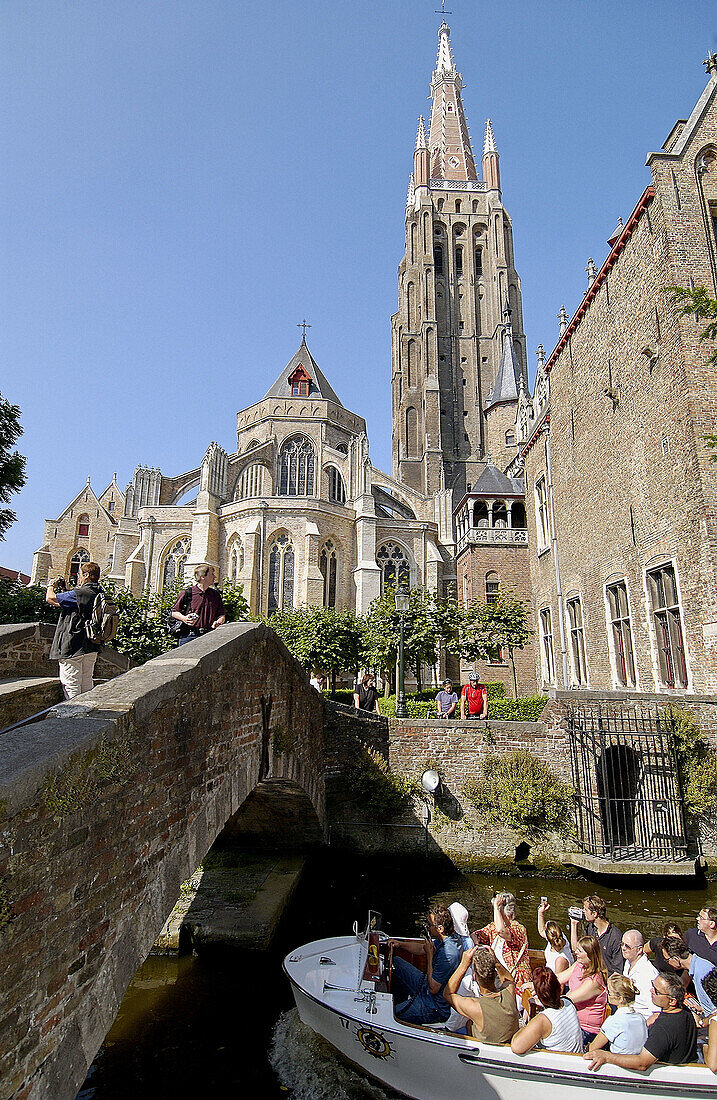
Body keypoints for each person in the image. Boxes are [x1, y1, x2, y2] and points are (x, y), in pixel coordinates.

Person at [584, 972, 697, 1071]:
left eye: (656, 991)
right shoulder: (686, 1012)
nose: (651, 991)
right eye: (653, 986)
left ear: (672, 1001)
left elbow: (642, 1063)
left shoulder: (663, 1027)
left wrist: (607, 1056)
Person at [388, 905, 462, 1025]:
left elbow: (433, 989)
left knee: (392, 1015)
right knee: (396, 962)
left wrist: (430, 955)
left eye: (429, 925)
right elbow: (423, 948)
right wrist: (400, 944)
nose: (427, 927)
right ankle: (399, 1001)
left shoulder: (449, 955)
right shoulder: (446, 938)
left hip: (433, 1006)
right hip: (426, 987)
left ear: (440, 928)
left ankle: (402, 1010)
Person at [46, 562, 103, 699]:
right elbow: (73, 604)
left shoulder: (83, 592)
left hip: (74, 645)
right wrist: (67, 590)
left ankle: (72, 715)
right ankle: (85, 712)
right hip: (92, 644)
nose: (79, 579)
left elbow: (50, 598)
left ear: (87, 575)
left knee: (71, 683)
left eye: (80, 576)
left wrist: (50, 586)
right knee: (86, 682)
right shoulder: (99, 592)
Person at [444, 946, 519, 1043]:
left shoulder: (475, 1006)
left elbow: (447, 994)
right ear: (495, 975)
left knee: (468, 1023)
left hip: (487, 1048)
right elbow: (508, 980)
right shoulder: (509, 993)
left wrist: (463, 965)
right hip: (508, 1043)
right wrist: (496, 962)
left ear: (474, 977)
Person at [510, 965, 583, 1055]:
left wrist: (525, 1025)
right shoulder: (568, 1003)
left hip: (557, 1065)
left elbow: (516, 1047)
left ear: (538, 994)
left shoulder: (543, 1020)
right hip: (575, 1058)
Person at [474, 892, 532, 993]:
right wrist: (480, 945)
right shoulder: (493, 927)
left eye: (496, 911)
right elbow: (475, 935)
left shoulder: (519, 929)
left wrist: (496, 907)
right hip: (497, 976)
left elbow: (501, 931)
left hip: (516, 982)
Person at [560, 934, 608, 1047]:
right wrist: (536, 984)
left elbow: (568, 999)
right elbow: (559, 978)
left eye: (580, 951)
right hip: (572, 1023)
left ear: (590, 955)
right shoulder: (578, 965)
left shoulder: (594, 981)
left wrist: (542, 998)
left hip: (586, 1032)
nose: (576, 953)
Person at [588, 974, 648, 1055]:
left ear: (620, 999)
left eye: (609, 993)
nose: (607, 994)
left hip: (617, 1063)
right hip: (636, 1060)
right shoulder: (641, 1018)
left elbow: (593, 1047)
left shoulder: (614, 1021)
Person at [663, 936, 717, 1017]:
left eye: (667, 960)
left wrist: (702, 1022)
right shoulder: (696, 966)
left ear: (676, 959)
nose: (667, 963)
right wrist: (703, 1008)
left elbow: (715, 1010)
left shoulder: (701, 973)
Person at [171, 564, 226, 644]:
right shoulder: (187, 593)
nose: (215, 577)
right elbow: (174, 612)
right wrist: (184, 618)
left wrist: (218, 622)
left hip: (209, 635)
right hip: (188, 636)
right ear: (203, 577)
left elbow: (221, 615)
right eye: (212, 574)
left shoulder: (215, 595)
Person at [570, 895, 622, 976]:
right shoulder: (590, 928)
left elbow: (618, 970)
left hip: (606, 980)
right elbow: (576, 949)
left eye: (585, 909)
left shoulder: (615, 937)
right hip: (591, 975)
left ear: (594, 914)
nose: (583, 911)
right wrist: (574, 924)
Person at [621, 930, 659, 1019]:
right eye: (622, 944)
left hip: (642, 1021)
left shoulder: (648, 973)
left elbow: (656, 1013)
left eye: (628, 946)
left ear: (639, 950)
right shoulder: (628, 962)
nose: (623, 948)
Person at [538, 900, 573, 977]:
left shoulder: (560, 960)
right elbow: (541, 931)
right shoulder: (559, 936)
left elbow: (559, 986)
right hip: (550, 978)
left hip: (559, 985)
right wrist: (540, 912)